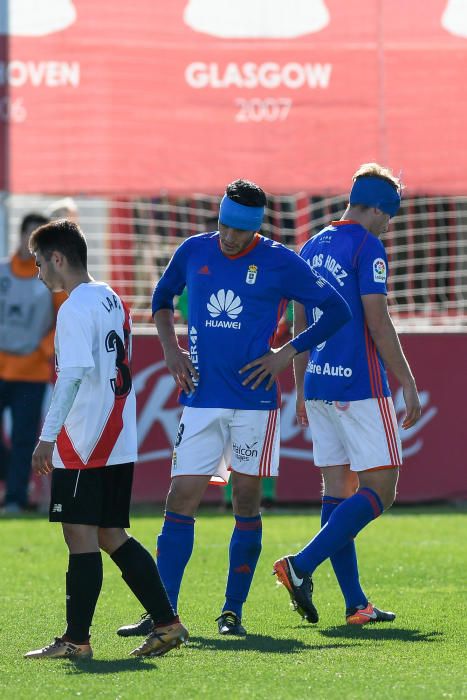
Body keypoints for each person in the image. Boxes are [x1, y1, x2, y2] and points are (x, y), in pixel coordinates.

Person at [117, 178, 351, 639]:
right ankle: (163, 612)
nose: (228, 237)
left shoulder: (281, 260)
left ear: (256, 229)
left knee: (245, 501)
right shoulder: (193, 251)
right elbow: (161, 300)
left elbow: (337, 309)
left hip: (254, 404)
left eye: (239, 231)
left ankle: (231, 611)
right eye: (224, 225)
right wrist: (170, 349)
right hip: (201, 400)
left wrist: (287, 353)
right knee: (179, 498)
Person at [24, 220, 188, 659]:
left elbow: (73, 374)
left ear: (58, 258)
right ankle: (168, 623)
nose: (38, 272)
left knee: (80, 535)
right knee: (109, 534)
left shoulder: (75, 307)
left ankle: (76, 642)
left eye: (40, 262)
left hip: (85, 439)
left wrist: (47, 437)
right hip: (117, 436)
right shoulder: (111, 296)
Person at [273, 163, 422, 625]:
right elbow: (377, 322)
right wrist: (409, 382)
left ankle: (356, 605)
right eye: (388, 216)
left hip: (318, 381)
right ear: (375, 208)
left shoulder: (311, 246)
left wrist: (300, 389)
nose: (388, 225)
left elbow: (300, 327)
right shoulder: (367, 246)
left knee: (338, 493)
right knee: (382, 490)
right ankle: (299, 566)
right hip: (358, 385)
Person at [0, 213, 53, 513]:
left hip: (32, 372)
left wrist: (44, 349)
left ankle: (15, 498)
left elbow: (63, 318)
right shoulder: (2, 272)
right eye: (31, 235)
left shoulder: (48, 278)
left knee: (23, 439)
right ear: (20, 236)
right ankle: (11, 478)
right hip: (1, 366)